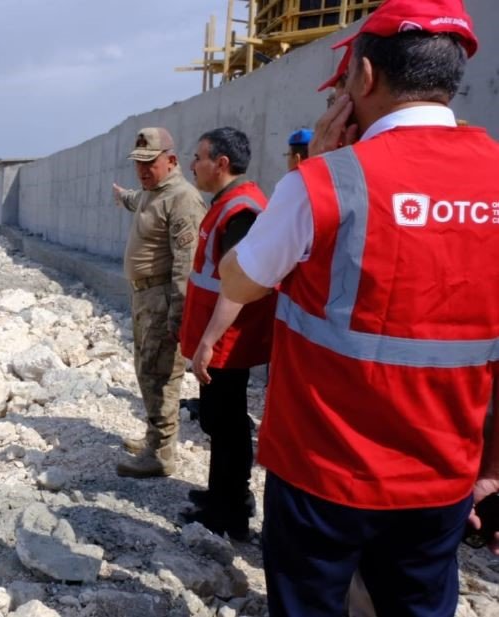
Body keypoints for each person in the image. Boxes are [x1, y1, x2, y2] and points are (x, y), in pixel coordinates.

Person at [217, 0, 499, 614]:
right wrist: (493, 462)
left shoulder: (326, 182)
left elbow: (237, 282)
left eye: (344, 81)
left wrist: (314, 171)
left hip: (323, 474)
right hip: (440, 474)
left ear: (365, 79)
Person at [179, 127, 276, 540]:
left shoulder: (241, 211)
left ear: (221, 164)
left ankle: (231, 510)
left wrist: (209, 341)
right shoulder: (228, 204)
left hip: (228, 340)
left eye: (199, 157)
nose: (192, 165)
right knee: (220, 420)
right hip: (221, 338)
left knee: (228, 421)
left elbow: (238, 283)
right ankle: (224, 493)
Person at [110, 127, 205, 478]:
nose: (142, 171)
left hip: (164, 299)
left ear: (172, 161)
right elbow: (139, 201)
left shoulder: (181, 198)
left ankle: (161, 454)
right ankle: (154, 438)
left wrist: (180, 317)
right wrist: (123, 196)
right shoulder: (153, 192)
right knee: (146, 369)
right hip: (145, 297)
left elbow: (186, 264)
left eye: (150, 163)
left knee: (161, 373)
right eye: (138, 164)